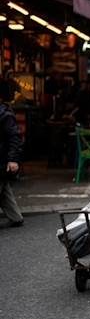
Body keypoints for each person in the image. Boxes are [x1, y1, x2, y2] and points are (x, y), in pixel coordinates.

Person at [0, 96, 23, 228]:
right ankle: (15, 217)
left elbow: (15, 137)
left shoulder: (5, 116)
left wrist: (13, 159)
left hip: (2, 159)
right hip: (3, 159)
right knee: (4, 191)